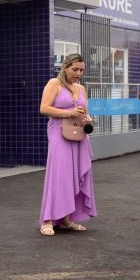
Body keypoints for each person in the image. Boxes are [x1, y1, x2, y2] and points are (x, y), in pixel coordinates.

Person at [39, 53, 97, 236]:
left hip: (78, 134)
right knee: (59, 174)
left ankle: (65, 219)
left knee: (73, 176)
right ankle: (47, 219)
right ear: (65, 67)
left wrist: (87, 119)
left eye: (81, 70)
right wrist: (70, 112)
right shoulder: (53, 84)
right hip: (58, 133)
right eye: (75, 69)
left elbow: (84, 112)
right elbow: (44, 108)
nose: (78, 73)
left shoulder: (81, 88)